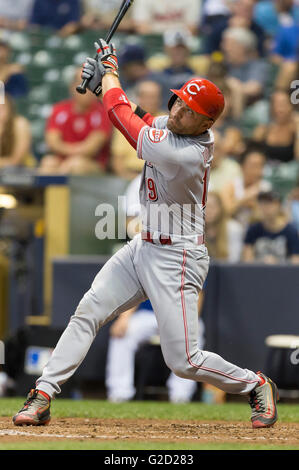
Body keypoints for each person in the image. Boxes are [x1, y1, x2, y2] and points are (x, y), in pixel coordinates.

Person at [12, 39, 278, 429]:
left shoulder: (186, 154)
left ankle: (255, 384)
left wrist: (109, 76)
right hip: (144, 246)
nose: (180, 112)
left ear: (206, 124)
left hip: (178, 257)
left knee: (183, 361)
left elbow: (124, 120)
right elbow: (142, 114)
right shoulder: (175, 125)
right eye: (180, 102)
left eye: (191, 112)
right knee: (88, 311)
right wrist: (105, 86)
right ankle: (43, 394)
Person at [106, 174, 204, 403]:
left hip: (177, 314)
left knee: (195, 329)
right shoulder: (142, 251)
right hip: (148, 315)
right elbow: (135, 290)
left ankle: (181, 395)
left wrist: (187, 321)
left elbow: (197, 292)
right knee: (123, 333)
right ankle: (119, 393)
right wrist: (124, 318)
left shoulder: (187, 247)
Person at [39, 68, 112, 175]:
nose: (87, 89)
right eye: (82, 83)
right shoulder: (59, 109)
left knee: (76, 164)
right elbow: (52, 142)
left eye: (91, 84)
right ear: (72, 87)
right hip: (63, 161)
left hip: (93, 164)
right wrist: (69, 157)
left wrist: (68, 156)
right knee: (48, 162)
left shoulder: (103, 113)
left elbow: (91, 148)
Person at [111, 80, 163, 180]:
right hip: (130, 175)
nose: (151, 101)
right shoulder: (125, 120)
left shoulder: (166, 121)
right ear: (139, 98)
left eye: (154, 97)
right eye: (147, 97)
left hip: (158, 178)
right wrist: (131, 179)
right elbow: (117, 161)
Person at [221, 27, 270, 117]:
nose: (224, 48)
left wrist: (234, 88)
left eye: (229, 44)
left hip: (251, 105)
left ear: (242, 47)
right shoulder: (224, 64)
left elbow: (254, 88)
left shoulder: (257, 65)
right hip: (225, 103)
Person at [243, 190, 299, 264]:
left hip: (283, 273)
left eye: (270, 203)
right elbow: (247, 259)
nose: (266, 207)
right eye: (262, 203)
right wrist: (261, 263)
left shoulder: (291, 231)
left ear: (279, 205)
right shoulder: (253, 230)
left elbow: (295, 261)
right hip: (257, 272)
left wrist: (277, 263)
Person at [252, 90, 299, 163]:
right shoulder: (265, 129)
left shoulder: (295, 129)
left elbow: (298, 158)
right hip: (266, 170)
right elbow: (252, 154)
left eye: (283, 104)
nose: (280, 109)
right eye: (276, 104)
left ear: (291, 106)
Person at [205, 191, 244, 262]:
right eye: (205, 207)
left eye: (212, 206)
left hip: (226, 270)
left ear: (220, 208)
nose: (208, 210)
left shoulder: (234, 228)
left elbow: (234, 260)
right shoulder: (195, 230)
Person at [131, 0, 202, 36]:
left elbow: (192, 29)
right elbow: (141, 28)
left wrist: (156, 28)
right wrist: (177, 28)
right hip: (152, 43)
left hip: (182, 44)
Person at [0, 94, 33, 169]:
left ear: (10, 109)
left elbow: (16, 160)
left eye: (2, 108)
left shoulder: (20, 124)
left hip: (21, 172)